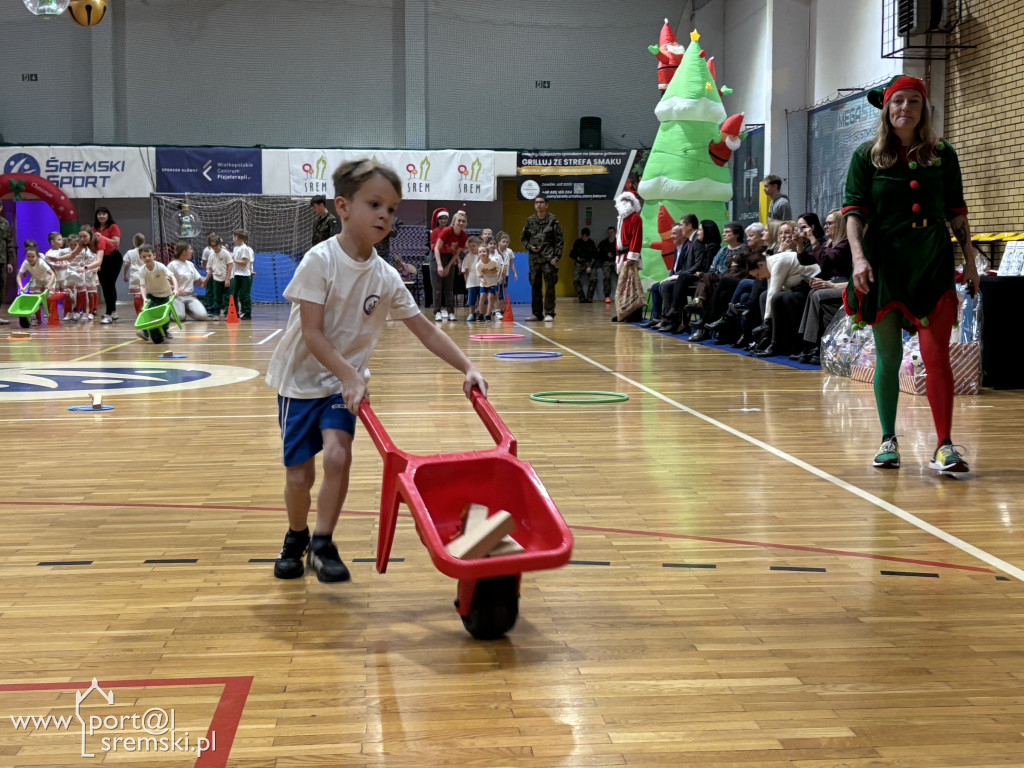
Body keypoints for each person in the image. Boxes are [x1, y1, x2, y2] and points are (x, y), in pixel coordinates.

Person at [265, 159, 487, 583]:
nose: (385, 215)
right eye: (374, 204)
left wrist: (467, 365)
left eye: (391, 208)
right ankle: (297, 535)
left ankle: (324, 543)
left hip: (342, 385)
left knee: (338, 455)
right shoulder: (319, 261)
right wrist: (349, 374)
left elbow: (424, 329)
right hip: (300, 382)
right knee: (300, 476)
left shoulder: (386, 276)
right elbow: (311, 334)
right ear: (343, 207)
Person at [843, 74, 980, 474]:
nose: (906, 109)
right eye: (898, 102)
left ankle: (944, 445)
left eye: (914, 102)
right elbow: (854, 212)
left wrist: (970, 261)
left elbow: (957, 210)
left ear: (924, 109)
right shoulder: (867, 156)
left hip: (933, 260)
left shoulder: (943, 153)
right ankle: (888, 440)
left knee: (937, 356)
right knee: (889, 355)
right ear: (887, 108)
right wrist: (857, 259)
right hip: (884, 261)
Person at [520, 195, 564, 321]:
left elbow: (559, 240)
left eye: (541, 202)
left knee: (550, 286)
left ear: (546, 205)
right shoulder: (530, 220)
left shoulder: (552, 220)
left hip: (549, 258)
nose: (538, 205)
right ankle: (537, 313)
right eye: (536, 203)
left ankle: (549, 313)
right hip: (534, 259)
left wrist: (557, 256)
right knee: (535, 286)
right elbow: (523, 238)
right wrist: (530, 247)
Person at [137, 243, 179, 344]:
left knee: (165, 314)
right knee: (147, 313)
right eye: (144, 257)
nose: (147, 258)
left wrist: (176, 289)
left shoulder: (160, 266)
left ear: (154, 255)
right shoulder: (142, 271)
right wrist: (144, 298)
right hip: (151, 294)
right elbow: (142, 286)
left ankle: (165, 331)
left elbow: (172, 276)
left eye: (149, 256)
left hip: (164, 293)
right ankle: (145, 332)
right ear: (140, 258)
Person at [432, 210, 468, 321]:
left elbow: (457, 253)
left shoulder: (463, 235)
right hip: (437, 256)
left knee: (449, 288)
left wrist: (448, 266)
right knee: (437, 287)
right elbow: (436, 248)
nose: (461, 223)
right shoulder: (447, 231)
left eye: (463, 221)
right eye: (459, 221)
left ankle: (451, 312)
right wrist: (439, 265)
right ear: (454, 221)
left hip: (450, 257)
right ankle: (437, 311)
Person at [93, 207, 123, 324]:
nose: (101, 216)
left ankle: (108, 313)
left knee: (110, 285)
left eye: (104, 214)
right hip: (101, 258)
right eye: (99, 214)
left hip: (113, 258)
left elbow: (116, 242)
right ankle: (113, 311)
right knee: (105, 286)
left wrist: (101, 237)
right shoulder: (94, 228)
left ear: (108, 215)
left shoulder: (113, 226)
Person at [14, 244, 55, 328]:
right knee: (35, 299)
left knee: (49, 298)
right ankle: (38, 319)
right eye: (28, 256)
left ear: (37, 256)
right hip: (37, 280)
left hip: (48, 279)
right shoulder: (26, 263)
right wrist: (21, 287)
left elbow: (52, 274)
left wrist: (49, 285)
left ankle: (51, 317)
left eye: (33, 256)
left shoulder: (41, 262)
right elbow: (19, 276)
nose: (30, 258)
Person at [168, 243, 209, 322]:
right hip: (177, 297)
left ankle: (185, 309)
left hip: (190, 296)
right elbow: (165, 283)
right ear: (184, 251)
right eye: (190, 249)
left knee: (202, 316)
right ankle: (172, 310)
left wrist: (204, 279)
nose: (192, 251)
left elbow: (197, 283)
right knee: (179, 318)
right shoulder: (172, 265)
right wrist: (177, 289)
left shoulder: (190, 264)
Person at [205, 235, 233, 320]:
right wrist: (206, 280)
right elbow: (210, 269)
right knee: (217, 297)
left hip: (226, 278)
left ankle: (227, 313)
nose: (214, 248)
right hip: (216, 278)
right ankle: (216, 314)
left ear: (219, 244)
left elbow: (230, 265)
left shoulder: (225, 253)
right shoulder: (211, 255)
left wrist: (227, 279)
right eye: (212, 246)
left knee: (227, 297)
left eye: (216, 246)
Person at [569, 227, 598, 302]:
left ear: (588, 236)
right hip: (579, 263)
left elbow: (595, 256)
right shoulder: (577, 242)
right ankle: (581, 297)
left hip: (589, 263)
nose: (584, 238)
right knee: (576, 280)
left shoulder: (591, 243)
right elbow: (571, 254)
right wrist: (577, 258)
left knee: (594, 279)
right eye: (583, 236)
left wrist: (590, 267)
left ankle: (589, 298)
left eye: (586, 236)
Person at [474, 243, 502, 320]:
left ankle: (488, 314)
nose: (482, 253)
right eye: (480, 252)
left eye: (484, 252)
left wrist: (497, 276)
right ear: (478, 254)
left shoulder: (494, 262)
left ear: (488, 253)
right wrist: (482, 280)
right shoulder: (478, 265)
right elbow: (479, 275)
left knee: (490, 297)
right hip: (484, 283)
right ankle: (480, 313)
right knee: (482, 297)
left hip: (493, 282)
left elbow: (499, 268)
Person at [121, 233, 147, 314]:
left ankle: (138, 313)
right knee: (144, 294)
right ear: (144, 242)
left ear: (134, 242)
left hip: (134, 275)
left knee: (136, 295)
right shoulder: (146, 251)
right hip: (145, 274)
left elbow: (126, 264)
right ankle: (145, 311)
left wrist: (124, 275)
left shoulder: (130, 252)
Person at [231, 229, 254, 319]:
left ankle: (247, 312)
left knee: (245, 295)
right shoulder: (236, 248)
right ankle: (235, 312)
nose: (233, 239)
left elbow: (244, 262)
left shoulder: (245, 248)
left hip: (244, 275)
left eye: (233, 237)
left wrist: (234, 260)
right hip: (236, 274)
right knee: (234, 293)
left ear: (237, 237)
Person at [593, 225, 617, 303]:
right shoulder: (603, 243)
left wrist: (615, 254)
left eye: (612, 232)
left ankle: (622, 295)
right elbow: (598, 253)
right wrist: (606, 254)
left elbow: (622, 251)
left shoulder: (618, 242)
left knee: (622, 276)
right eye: (609, 233)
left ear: (615, 232)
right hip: (606, 262)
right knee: (606, 277)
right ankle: (607, 296)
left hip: (616, 261)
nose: (610, 234)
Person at [0, 214, 14, 324]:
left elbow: (9, 242)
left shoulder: (4, 222)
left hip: (1, 260)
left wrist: (9, 261)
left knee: (0, 287)